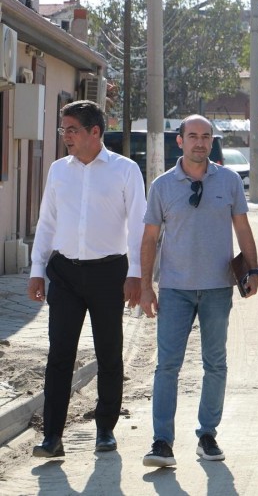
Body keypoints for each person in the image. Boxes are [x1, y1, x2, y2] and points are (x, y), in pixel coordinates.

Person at [139, 115, 258, 468]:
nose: (200, 142)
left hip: (218, 288)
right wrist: (146, 287)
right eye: (193, 136)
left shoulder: (229, 180)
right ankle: (162, 442)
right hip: (175, 289)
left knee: (215, 363)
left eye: (206, 136)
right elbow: (149, 238)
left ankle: (207, 435)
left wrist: (254, 270)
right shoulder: (162, 185)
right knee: (167, 366)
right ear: (180, 141)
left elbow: (243, 228)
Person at [28, 100, 147, 458]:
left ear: (95, 132)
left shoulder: (125, 170)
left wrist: (136, 274)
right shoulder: (58, 171)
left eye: (72, 130)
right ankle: (52, 436)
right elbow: (47, 221)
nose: (66, 136)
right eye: (63, 129)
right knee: (59, 355)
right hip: (64, 273)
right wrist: (37, 270)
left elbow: (138, 226)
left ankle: (105, 430)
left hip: (109, 274)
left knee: (109, 353)